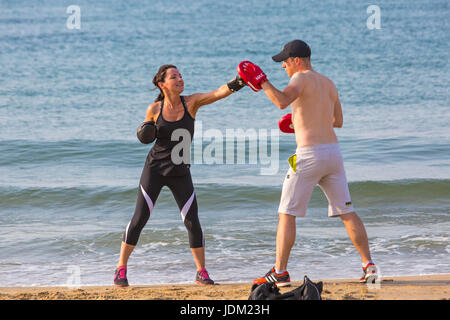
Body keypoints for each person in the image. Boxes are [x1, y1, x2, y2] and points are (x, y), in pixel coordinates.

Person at [238, 40, 377, 286]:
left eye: (285, 61)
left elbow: (281, 101)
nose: (283, 67)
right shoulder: (329, 83)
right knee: (347, 211)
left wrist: (262, 81)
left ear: (297, 61)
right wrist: (299, 121)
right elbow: (337, 121)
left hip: (309, 155)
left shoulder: (300, 78)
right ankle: (369, 265)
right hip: (333, 154)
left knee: (286, 213)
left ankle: (280, 272)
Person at [114, 64, 246, 287]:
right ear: (162, 84)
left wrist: (239, 81)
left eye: (181, 75)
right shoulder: (154, 109)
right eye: (174, 77)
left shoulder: (191, 103)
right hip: (154, 169)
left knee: (192, 222)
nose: (180, 79)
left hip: (180, 171)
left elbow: (217, 93)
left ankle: (201, 272)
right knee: (139, 219)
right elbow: (146, 134)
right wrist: (145, 129)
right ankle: (121, 268)